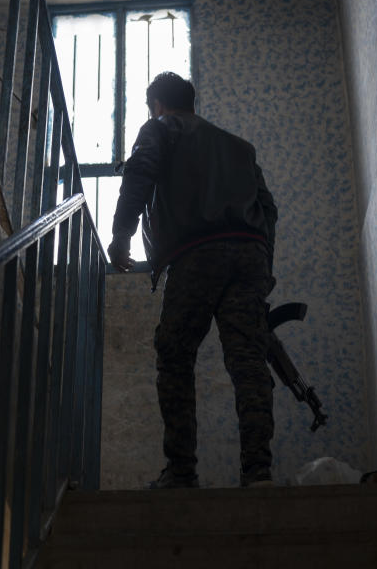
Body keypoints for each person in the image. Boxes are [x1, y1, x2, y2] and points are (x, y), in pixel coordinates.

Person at [107, 72, 279, 489]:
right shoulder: (240, 147)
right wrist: (264, 265)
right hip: (249, 253)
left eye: (152, 107)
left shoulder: (160, 129)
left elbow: (140, 172)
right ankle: (258, 471)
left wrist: (120, 234)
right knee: (248, 359)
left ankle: (181, 470)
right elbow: (268, 208)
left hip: (197, 253)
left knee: (174, 352)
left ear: (158, 105)